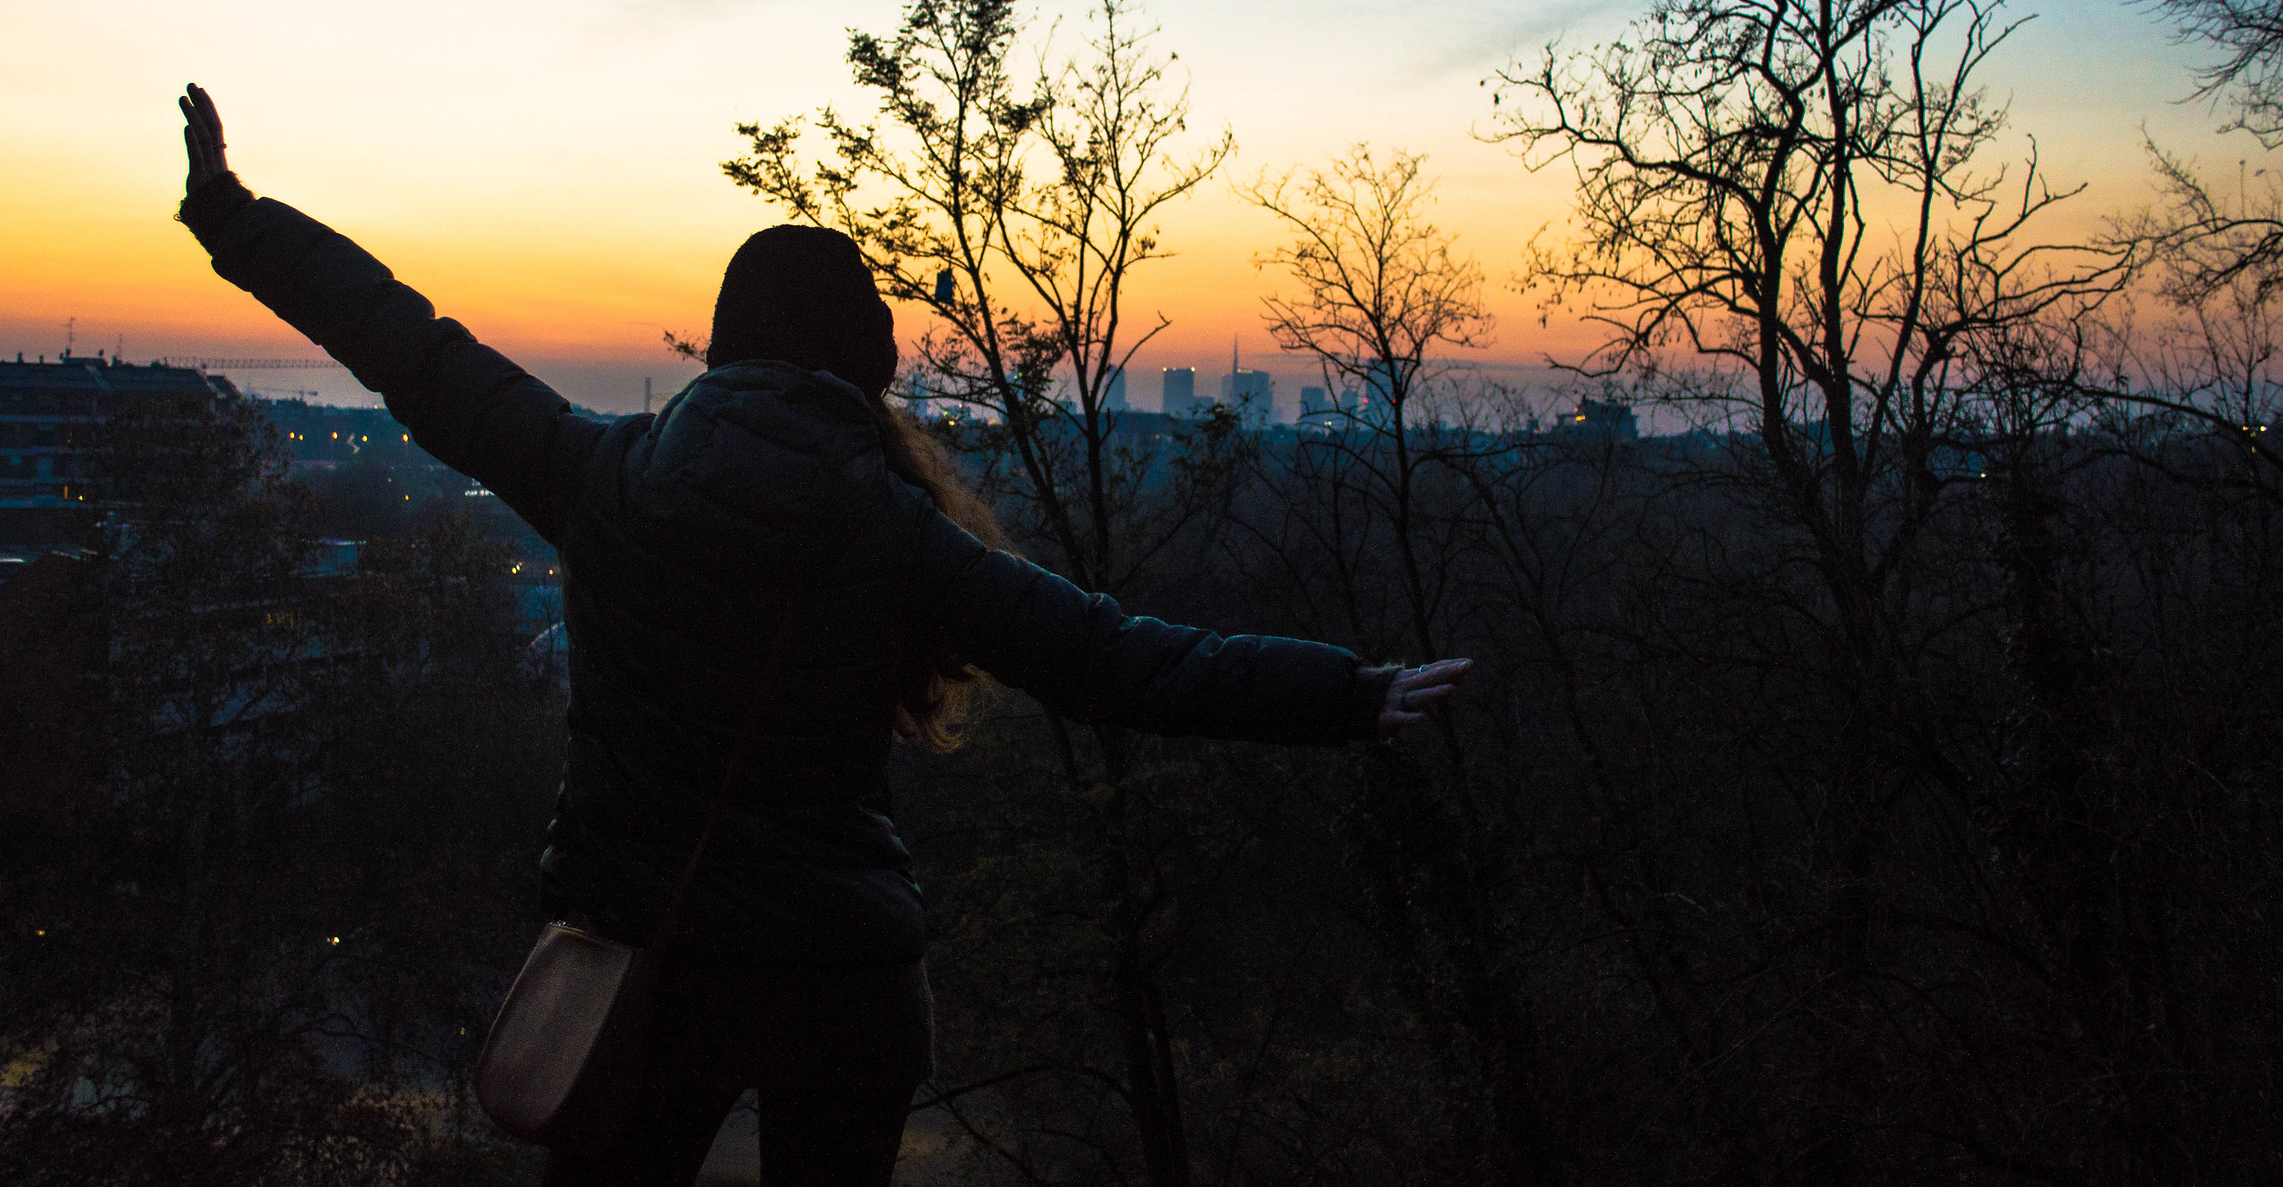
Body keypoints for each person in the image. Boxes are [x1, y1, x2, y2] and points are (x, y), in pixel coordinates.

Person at [169, 83, 1471, 1185]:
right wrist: (1348, 693)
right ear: (863, 366)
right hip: (838, 975)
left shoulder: (603, 479)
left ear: (726, 351)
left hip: (644, 957)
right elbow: (1119, 656)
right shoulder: (894, 534)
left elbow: (412, 348)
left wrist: (236, 220)